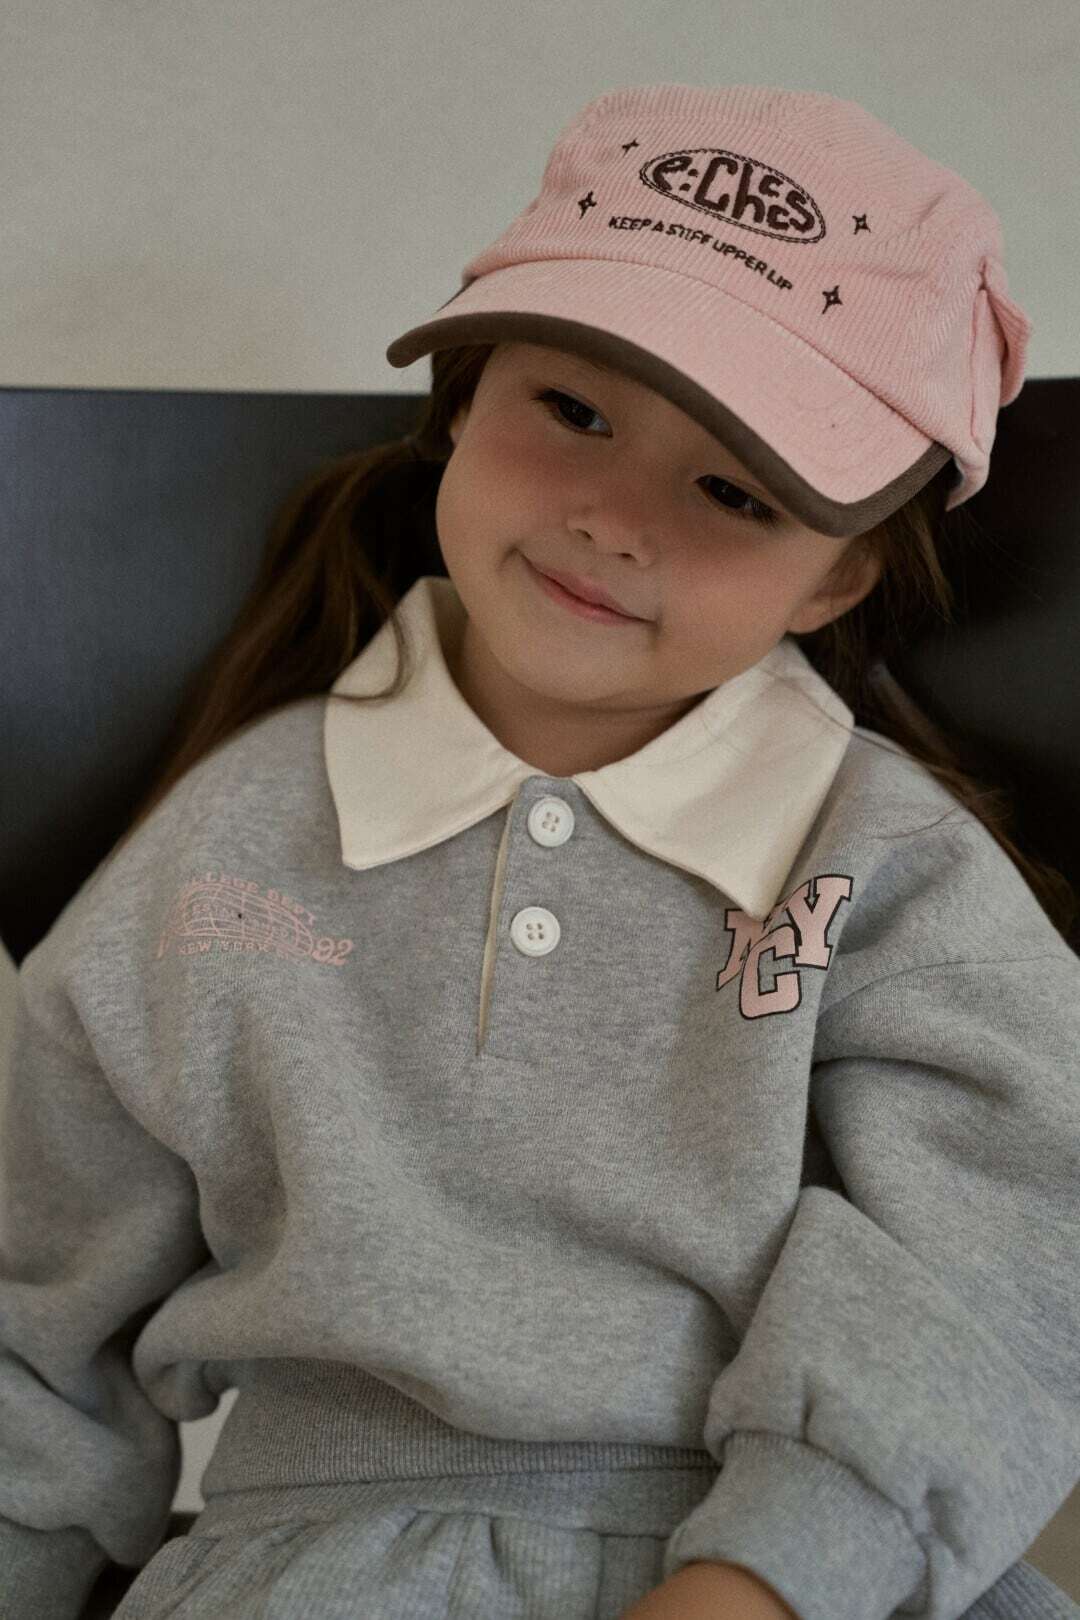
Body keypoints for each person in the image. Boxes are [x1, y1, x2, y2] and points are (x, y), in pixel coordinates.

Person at [2, 81, 1079, 1620]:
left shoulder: (889, 870)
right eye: (574, 411)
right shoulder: (231, 844)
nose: (614, 519)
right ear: (461, 395)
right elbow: (32, 1333)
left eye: (733, 490)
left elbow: (1010, 1261)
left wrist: (766, 1582)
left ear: (835, 582)